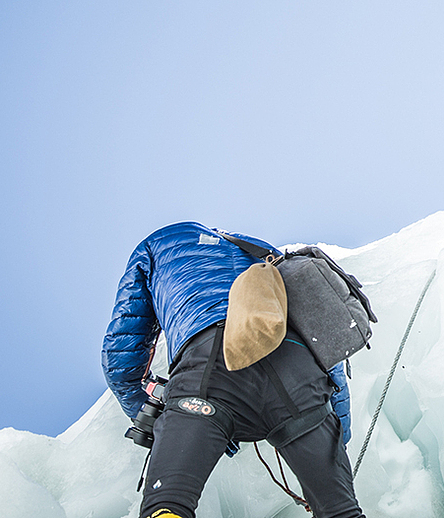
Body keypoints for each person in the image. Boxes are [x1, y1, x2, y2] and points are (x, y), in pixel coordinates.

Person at [102, 221, 365, 518]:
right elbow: (330, 360)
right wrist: (332, 444)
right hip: (299, 371)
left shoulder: (156, 246)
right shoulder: (265, 253)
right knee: (342, 513)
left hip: (211, 368)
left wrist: (162, 423)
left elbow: (120, 356)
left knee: (168, 506)